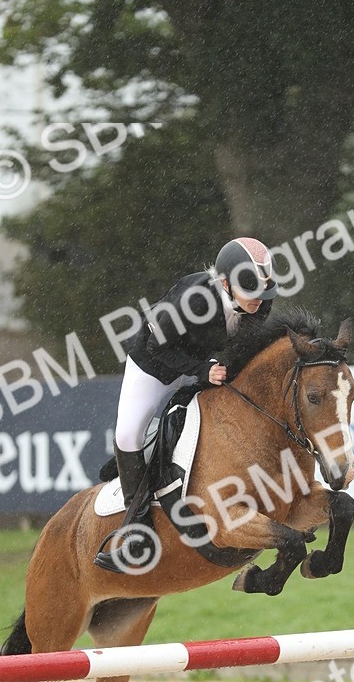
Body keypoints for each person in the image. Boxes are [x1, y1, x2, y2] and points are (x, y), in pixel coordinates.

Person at [94, 237, 278, 572]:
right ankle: (136, 534)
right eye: (250, 290)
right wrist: (202, 370)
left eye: (262, 291)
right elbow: (158, 346)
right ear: (225, 283)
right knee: (128, 435)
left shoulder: (259, 301)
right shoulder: (193, 297)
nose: (258, 300)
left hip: (203, 363)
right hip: (155, 365)